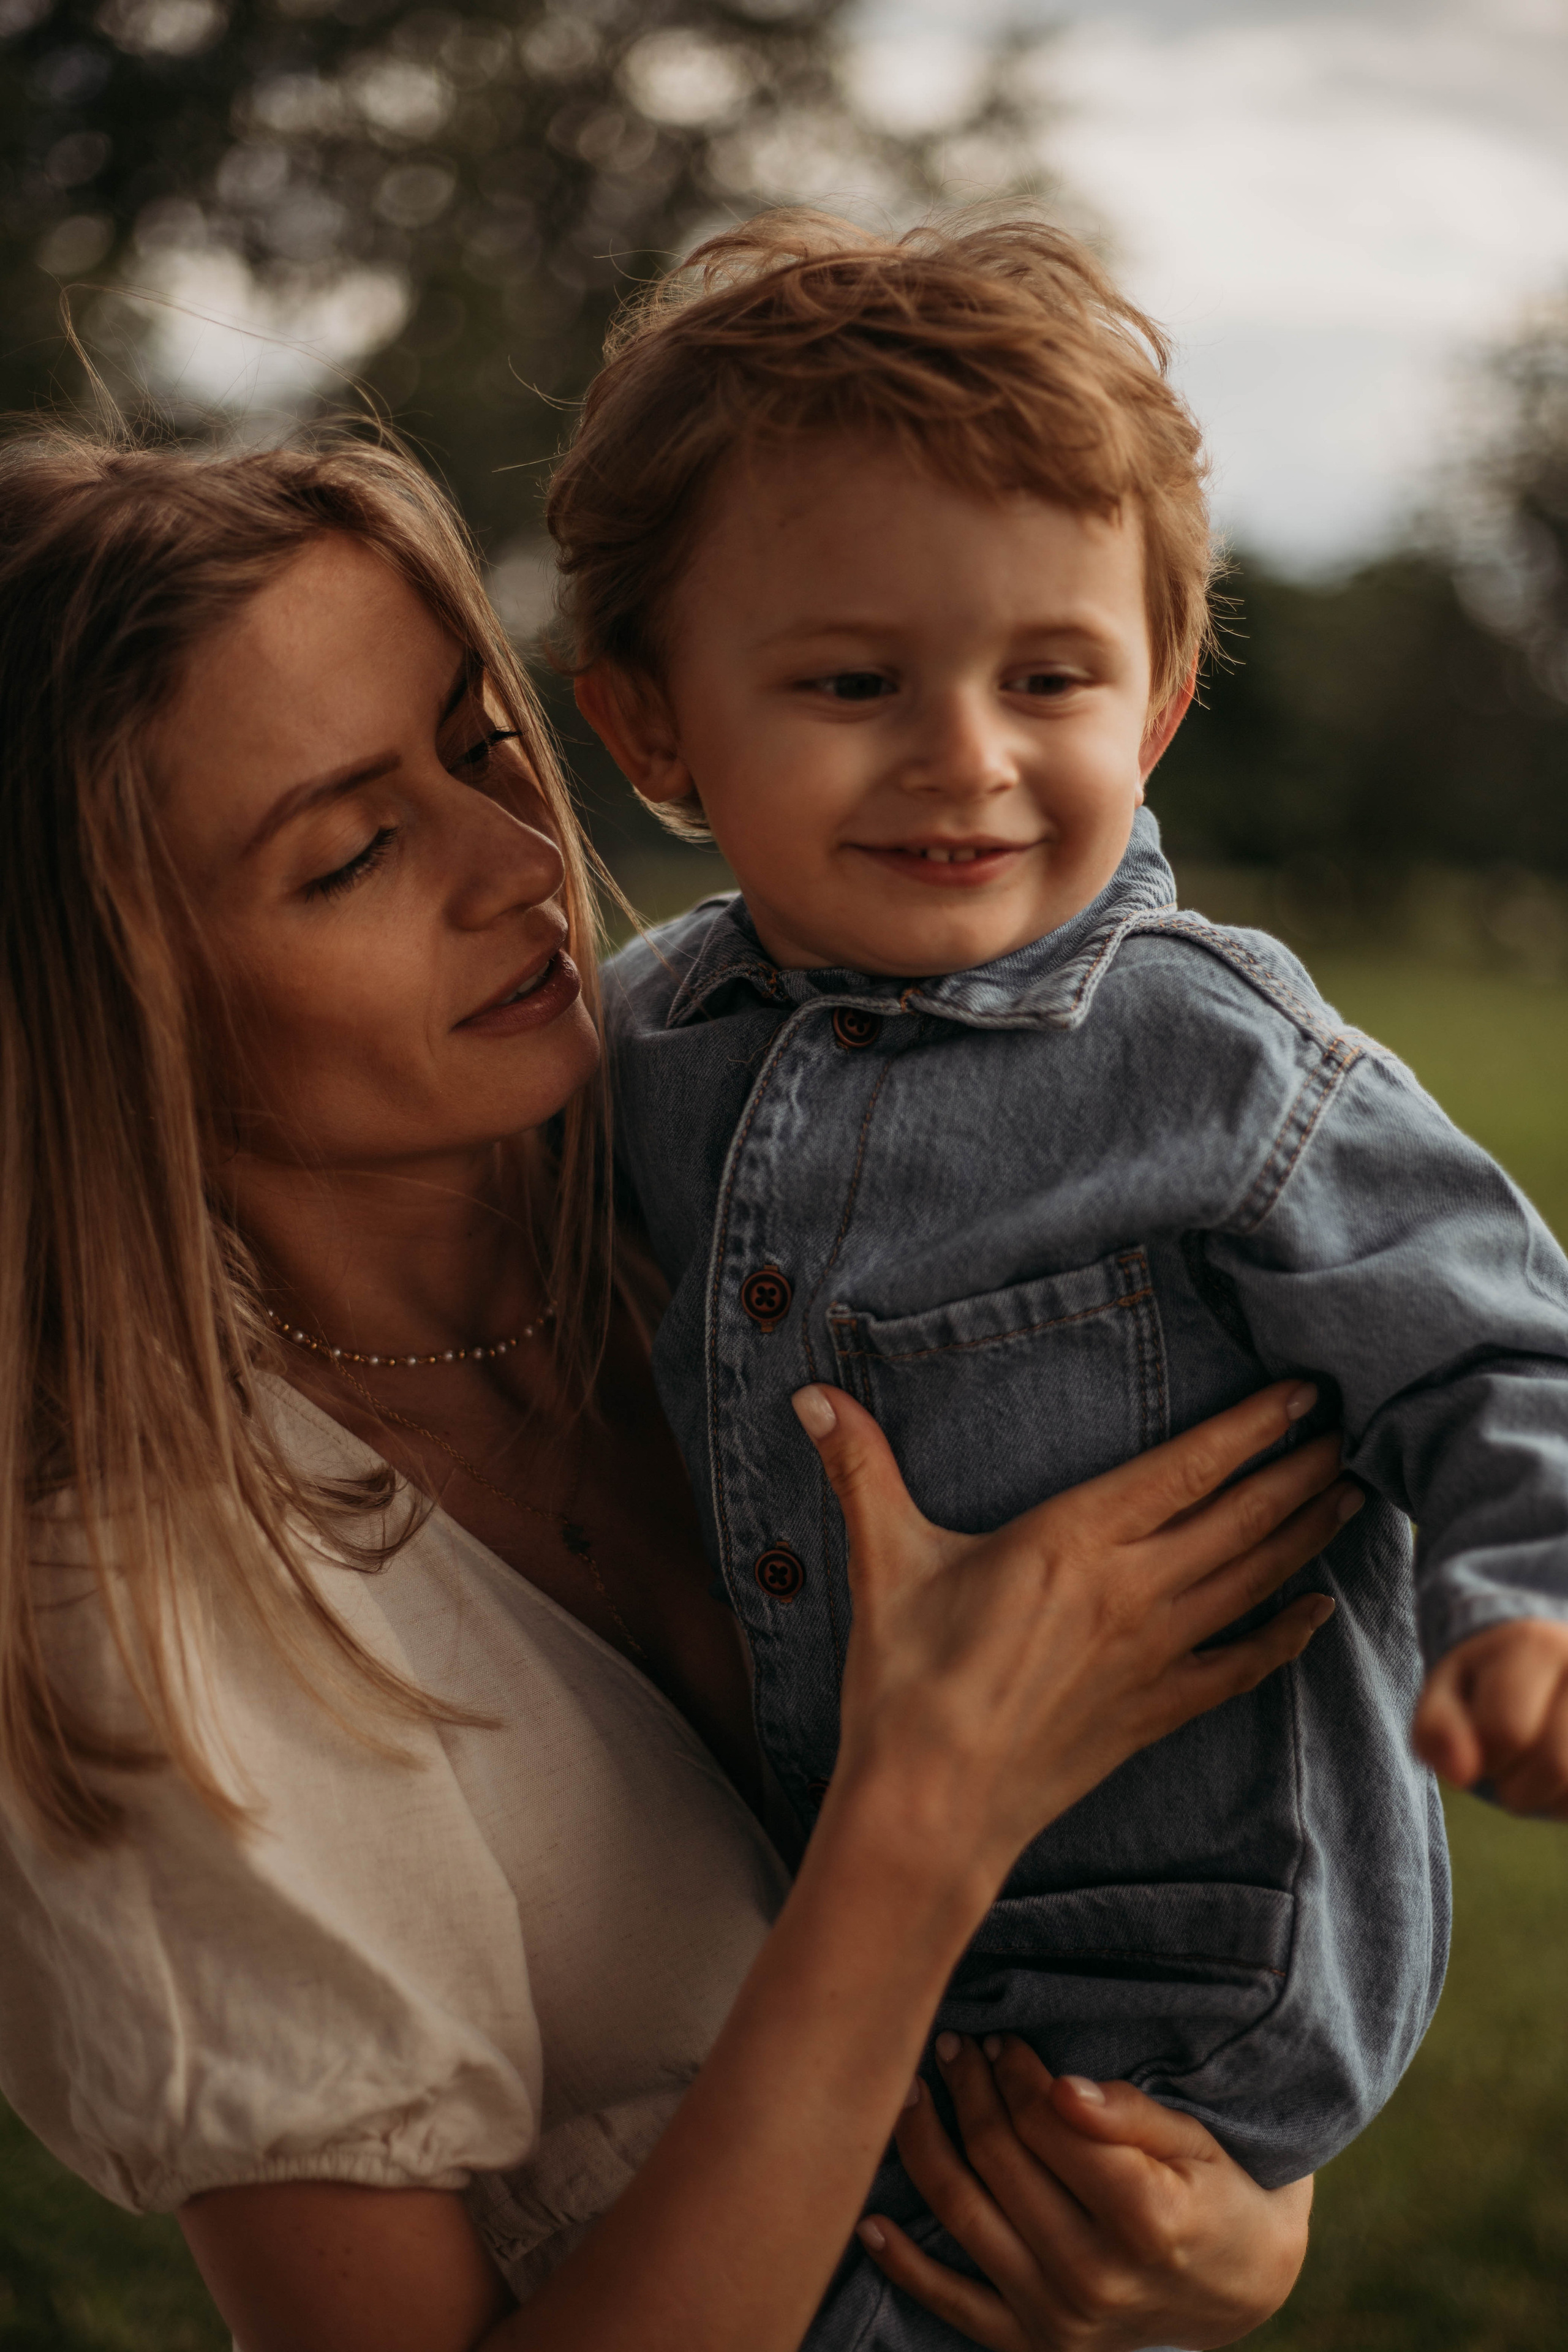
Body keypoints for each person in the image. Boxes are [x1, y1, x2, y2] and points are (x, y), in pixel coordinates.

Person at [0, 425, 1351, 2352]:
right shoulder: (128, 1615)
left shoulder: (775, 1174)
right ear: (103, 1011)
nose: (521, 863)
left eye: (480, 749)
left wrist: (1238, 2217)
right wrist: (922, 1821)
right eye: (356, 850)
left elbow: (1251, 1799)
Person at [562, 211, 1568, 2251]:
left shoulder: (1215, 1059)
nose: (965, 754)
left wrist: (1528, 1602)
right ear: (656, 728)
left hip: (1153, 2000)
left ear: (1165, 701)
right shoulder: (637, 1048)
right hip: (809, 1929)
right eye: (854, 680)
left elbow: (1498, 1347)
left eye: (1051, 676)